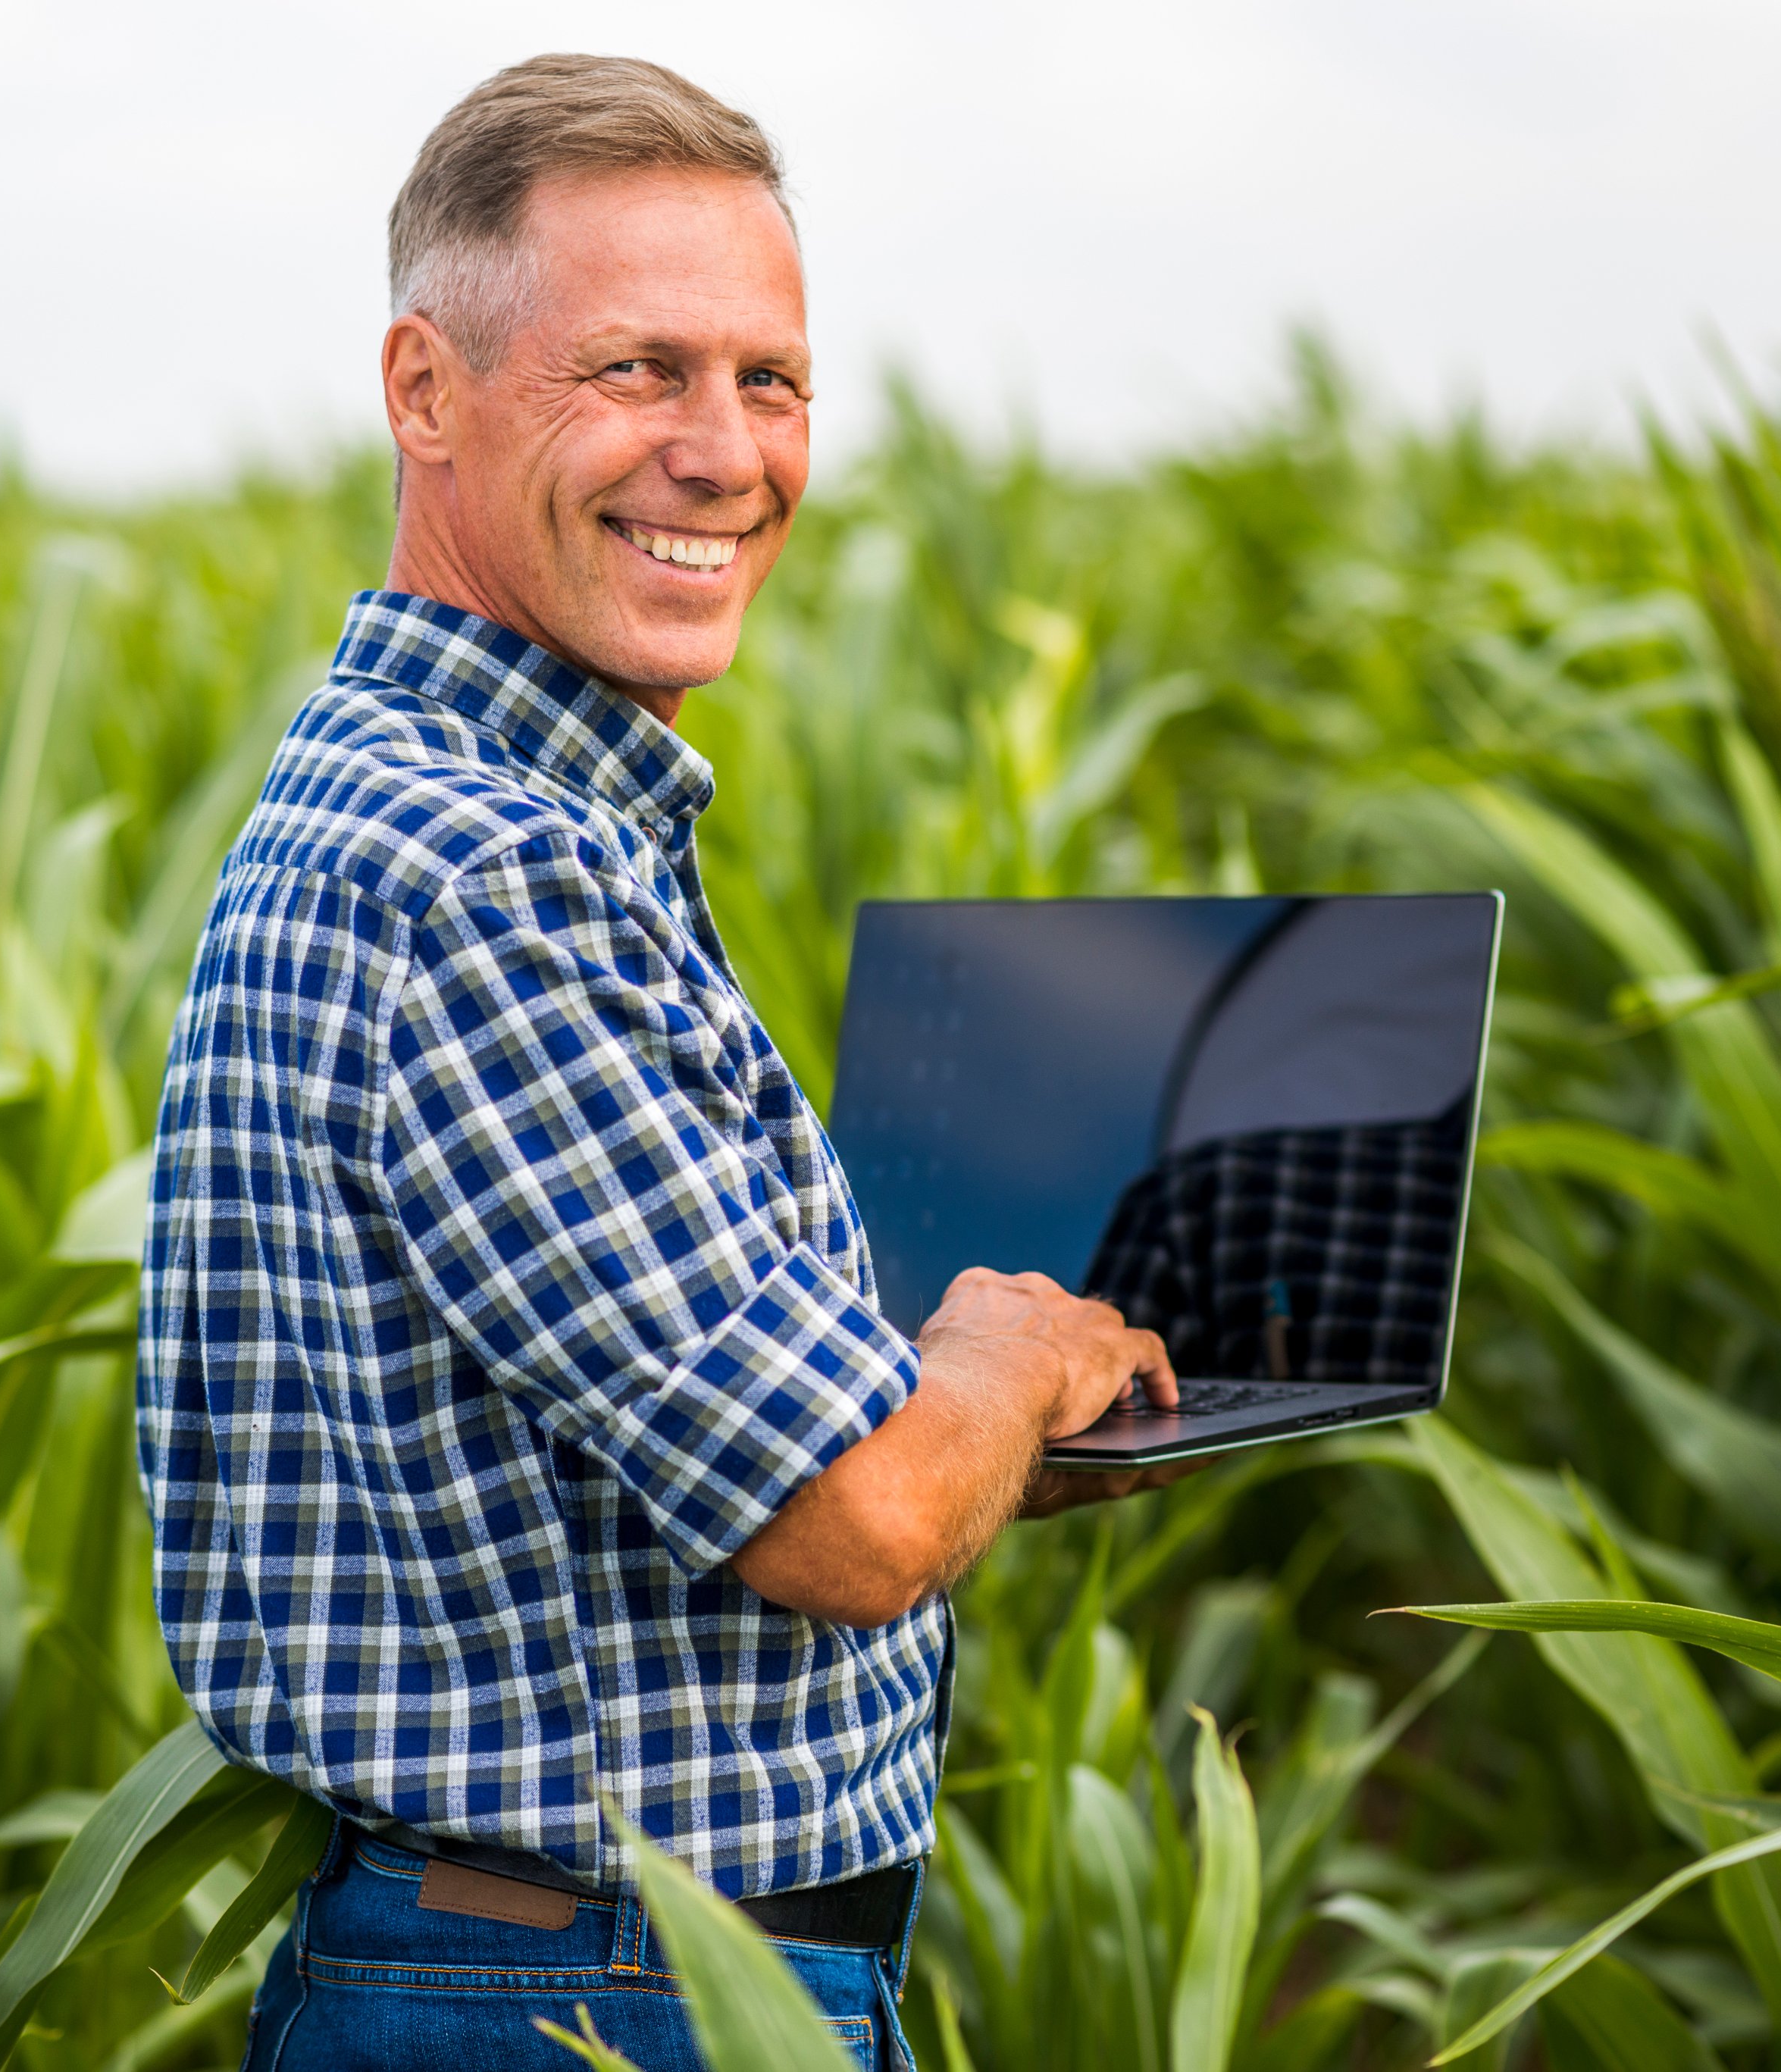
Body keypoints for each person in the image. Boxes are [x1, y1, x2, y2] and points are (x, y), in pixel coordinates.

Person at [135, 54, 1186, 2070]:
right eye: (636, 372)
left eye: (770, 382)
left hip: (551, 1972)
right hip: (591, 2001)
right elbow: (855, 1529)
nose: (723, 453)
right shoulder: (487, 874)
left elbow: (621, 1464)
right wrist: (1000, 1358)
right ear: (423, 390)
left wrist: (994, 1431)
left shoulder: (459, 811)